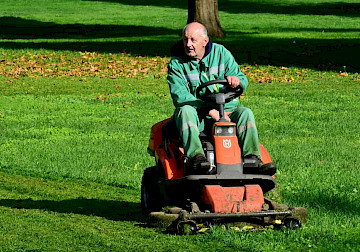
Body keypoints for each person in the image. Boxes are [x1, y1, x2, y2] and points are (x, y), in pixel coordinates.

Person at [167, 22, 275, 175]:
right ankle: (196, 158)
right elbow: (180, 96)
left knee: (245, 113)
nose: (188, 44)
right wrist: (209, 110)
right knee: (185, 111)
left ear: (205, 41)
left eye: (193, 40)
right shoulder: (176, 64)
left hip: (226, 112)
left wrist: (237, 81)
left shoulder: (221, 53)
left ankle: (253, 159)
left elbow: (241, 78)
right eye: (185, 40)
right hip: (198, 116)